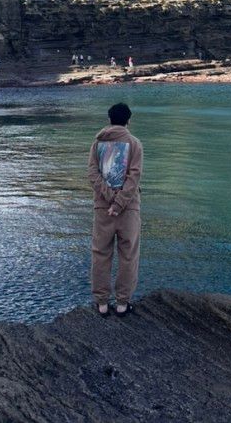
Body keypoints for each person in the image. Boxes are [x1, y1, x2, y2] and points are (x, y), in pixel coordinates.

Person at [88, 102, 143, 318]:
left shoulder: (97, 143)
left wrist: (110, 199)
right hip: (128, 209)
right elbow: (134, 176)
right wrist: (119, 202)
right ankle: (122, 303)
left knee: (100, 254)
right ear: (128, 120)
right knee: (128, 255)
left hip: (103, 208)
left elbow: (93, 175)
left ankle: (102, 303)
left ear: (109, 119)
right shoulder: (135, 143)